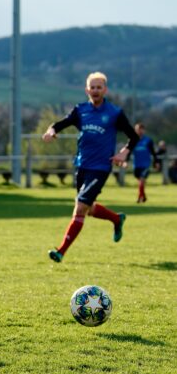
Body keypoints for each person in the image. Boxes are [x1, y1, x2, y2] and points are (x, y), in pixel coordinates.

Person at [42, 72, 139, 263]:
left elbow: (133, 136)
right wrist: (50, 131)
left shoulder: (114, 113)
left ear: (105, 89)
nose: (95, 90)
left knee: (79, 208)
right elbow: (60, 124)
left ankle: (61, 251)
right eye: (92, 87)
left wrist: (124, 152)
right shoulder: (81, 110)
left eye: (99, 87)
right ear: (87, 90)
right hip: (82, 165)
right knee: (89, 208)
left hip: (101, 167)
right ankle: (117, 220)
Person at [130, 123, 160, 203]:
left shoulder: (148, 140)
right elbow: (128, 152)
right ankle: (144, 196)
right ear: (135, 130)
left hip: (146, 165)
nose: (140, 131)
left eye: (141, 129)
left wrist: (156, 162)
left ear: (144, 130)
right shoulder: (132, 140)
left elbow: (153, 152)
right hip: (136, 165)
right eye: (138, 129)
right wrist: (125, 161)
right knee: (140, 182)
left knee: (142, 180)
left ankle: (139, 198)